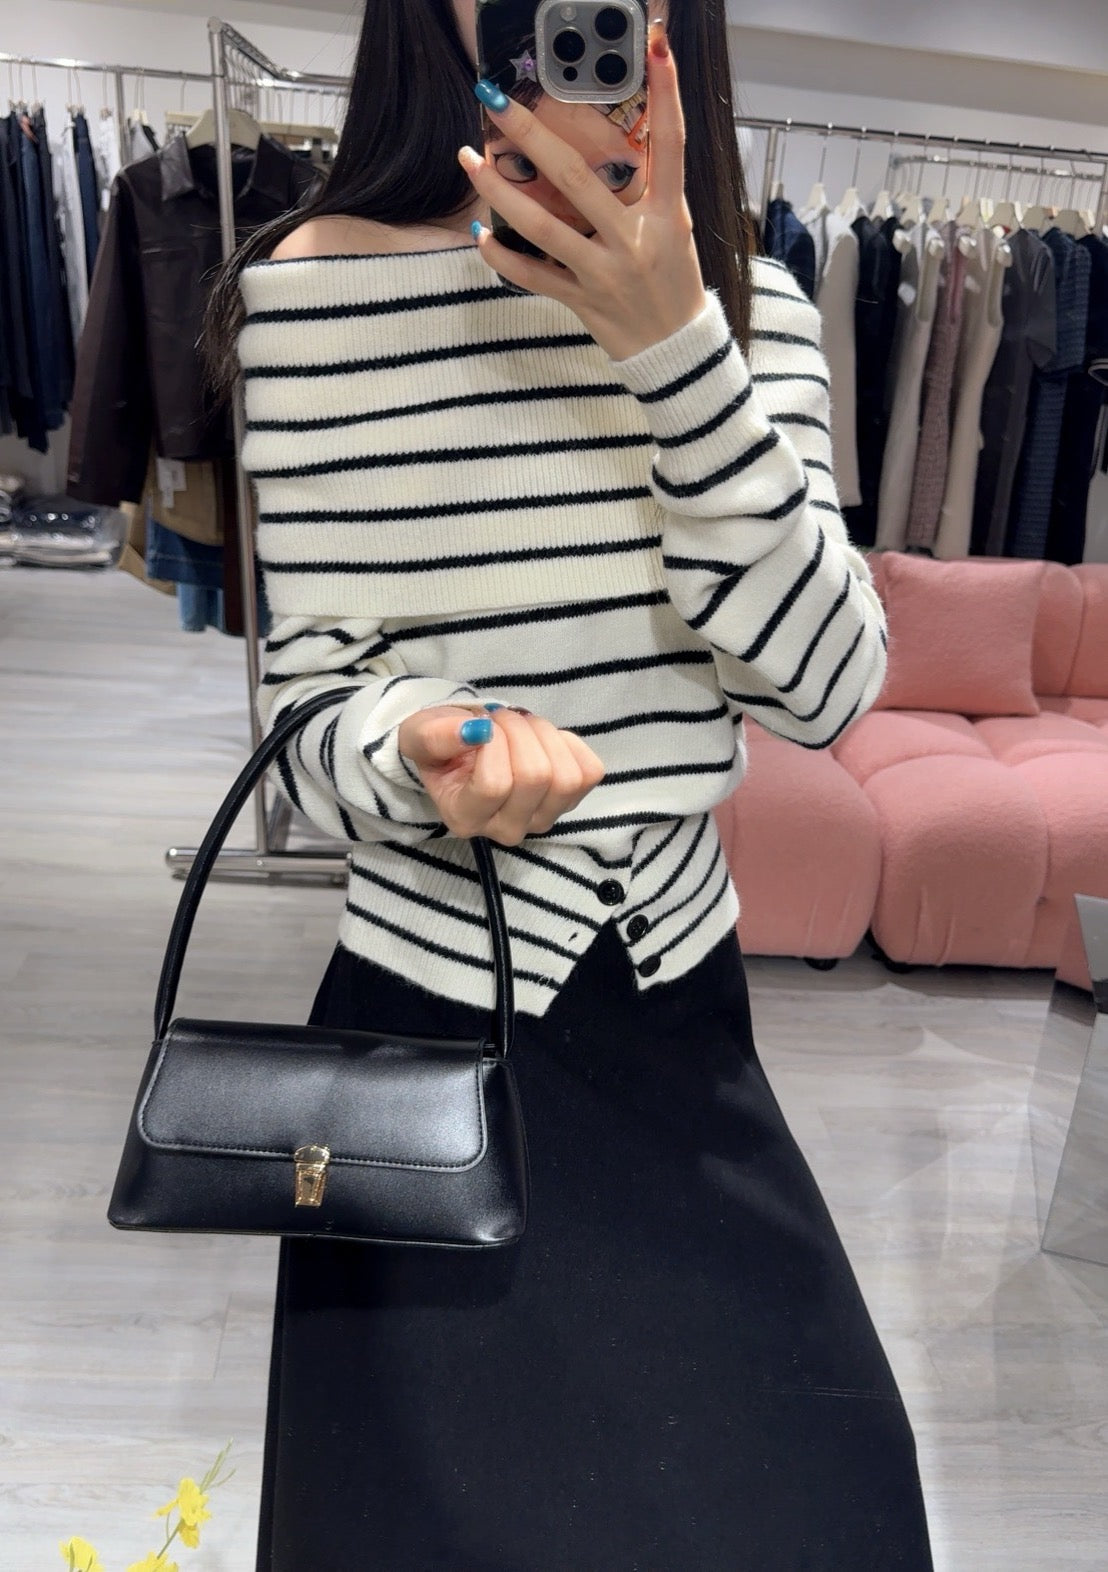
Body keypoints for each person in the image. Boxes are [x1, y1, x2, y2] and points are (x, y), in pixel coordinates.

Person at [206, 1, 935, 1566]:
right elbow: (308, 706)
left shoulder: (752, 303)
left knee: (835, 1507)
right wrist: (417, 742)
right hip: (423, 1039)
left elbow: (827, 686)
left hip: (680, 1029)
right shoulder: (314, 291)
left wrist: (676, 350)